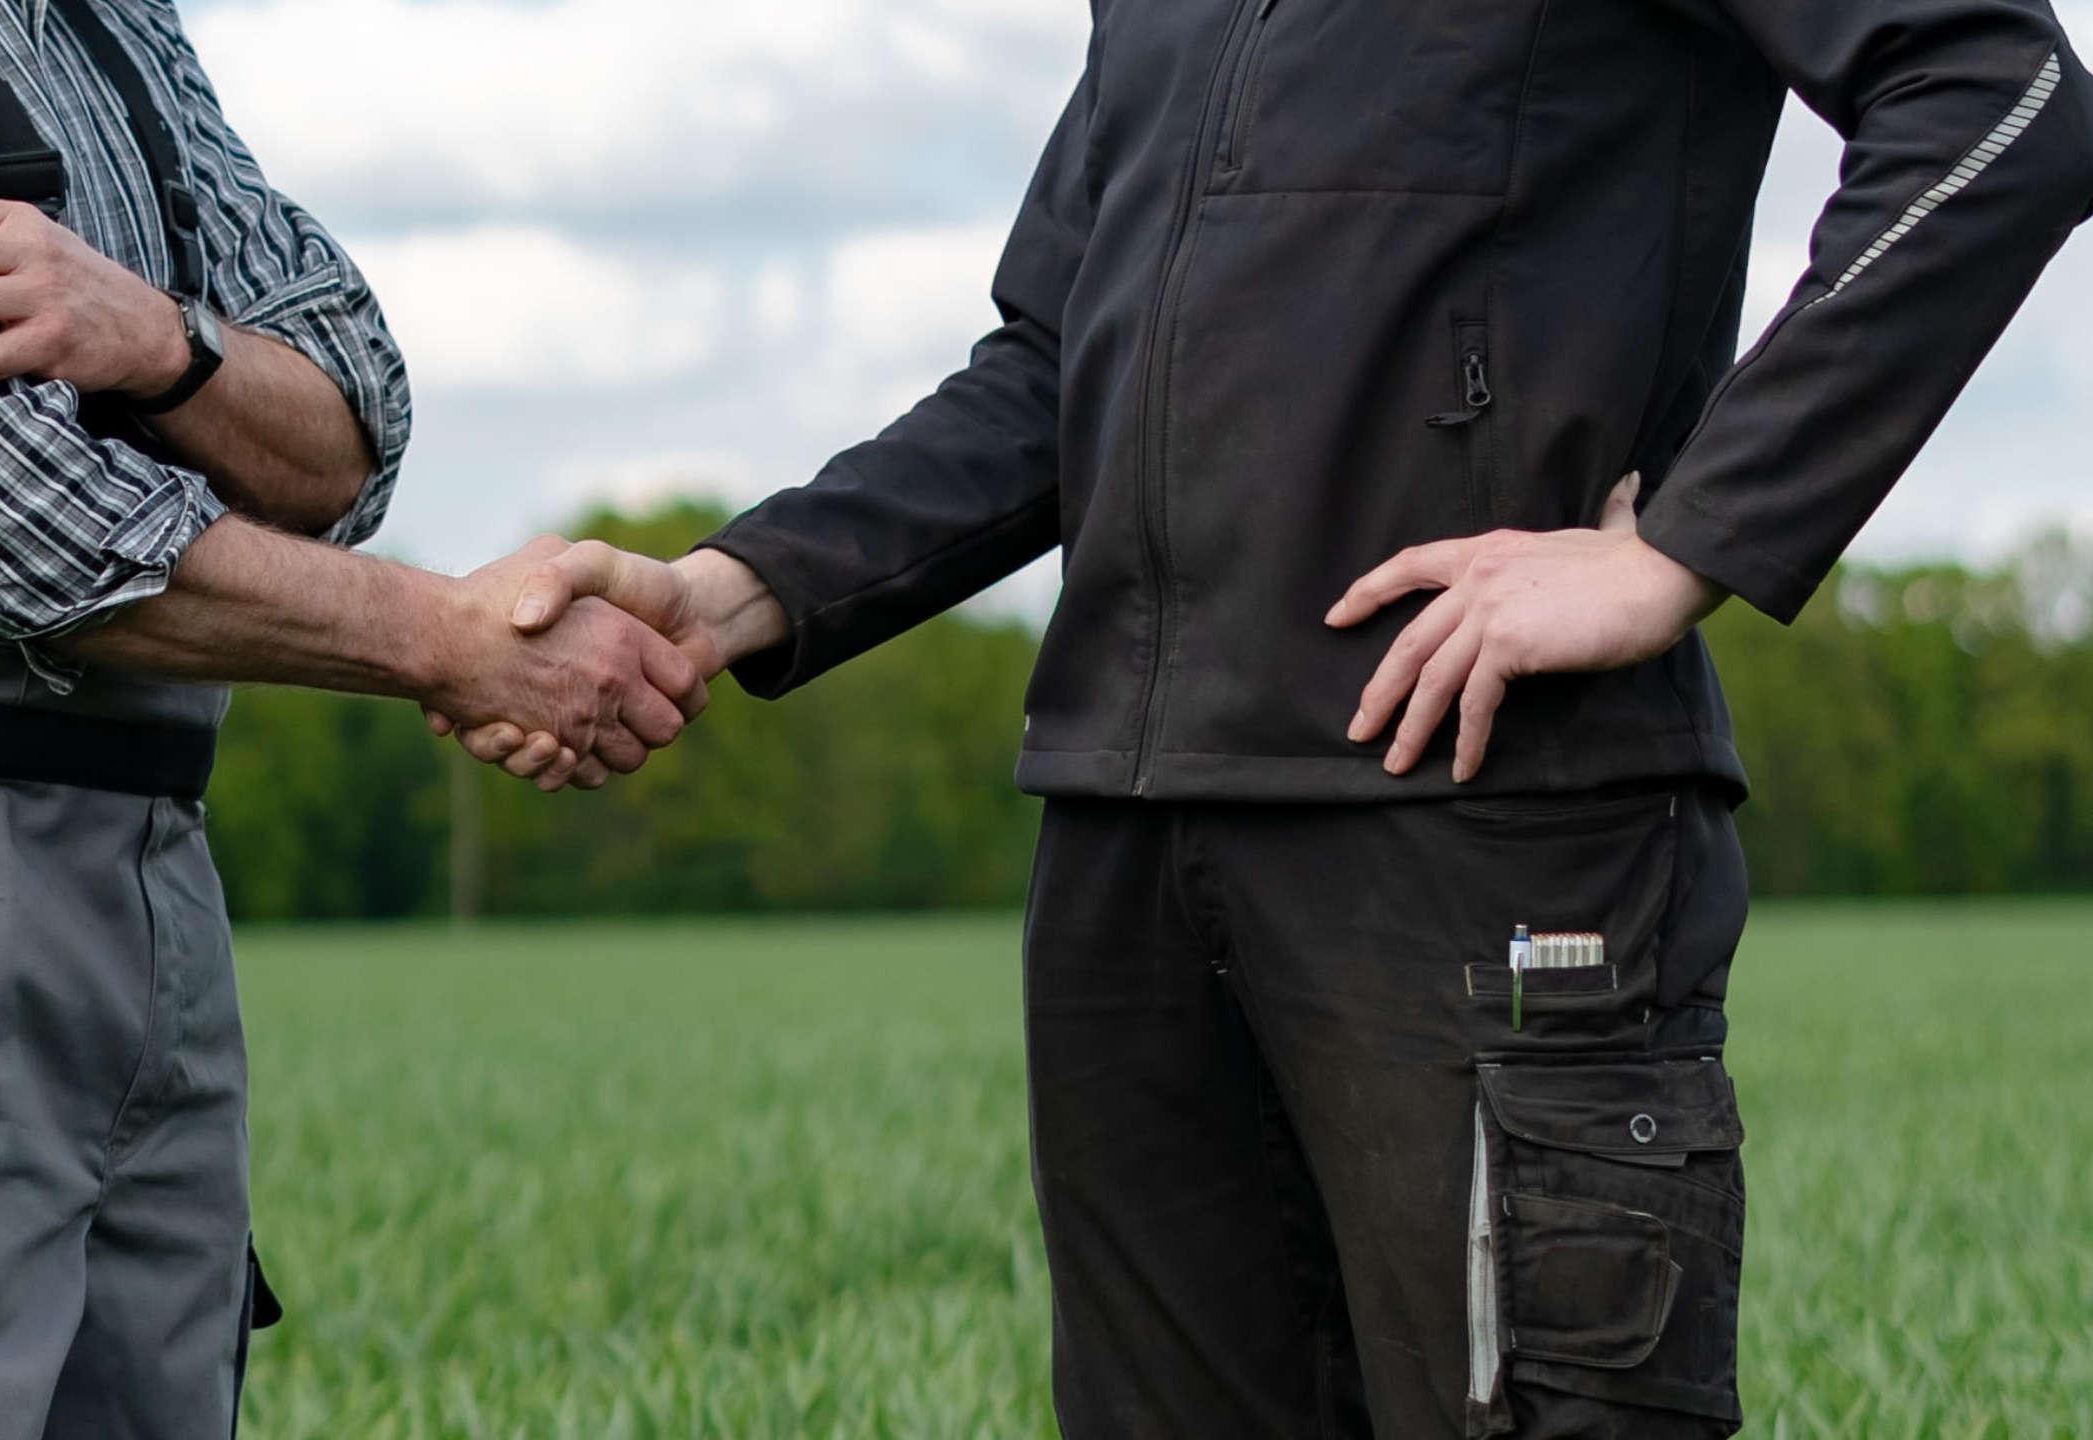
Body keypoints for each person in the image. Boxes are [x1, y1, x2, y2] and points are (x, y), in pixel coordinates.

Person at [443, 1, 2093, 1434]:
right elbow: (1052, 365)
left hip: (1478, 825)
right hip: (1127, 855)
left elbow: (1999, 101)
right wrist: (730, 592)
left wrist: (1683, 547)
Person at [0, 1, 702, 1434]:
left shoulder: (109, 13)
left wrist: (155, 337)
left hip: (147, 852)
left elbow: (350, 421)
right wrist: (453, 645)